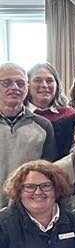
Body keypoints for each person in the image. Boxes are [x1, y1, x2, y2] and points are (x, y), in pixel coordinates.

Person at [0, 62, 57, 205]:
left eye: (20, 83)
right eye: (7, 83)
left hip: (26, 207)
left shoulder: (43, 126)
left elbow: (48, 173)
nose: (14, 88)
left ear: (27, 88)